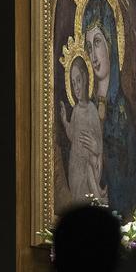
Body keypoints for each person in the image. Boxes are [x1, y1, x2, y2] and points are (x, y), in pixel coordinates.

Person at [83, 0, 136, 220]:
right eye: (88, 47)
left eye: (97, 42)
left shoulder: (123, 111)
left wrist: (102, 153)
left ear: (111, 42)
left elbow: (128, 184)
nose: (93, 57)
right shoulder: (85, 106)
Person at [59, 56, 107, 204]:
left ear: (86, 78)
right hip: (75, 168)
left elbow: (99, 142)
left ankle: (98, 195)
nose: (77, 87)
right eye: (73, 83)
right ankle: (98, 195)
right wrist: (65, 121)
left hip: (89, 167)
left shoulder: (92, 110)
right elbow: (72, 135)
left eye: (78, 80)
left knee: (89, 169)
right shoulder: (75, 111)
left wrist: (96, 147)